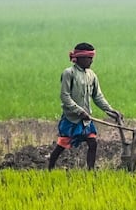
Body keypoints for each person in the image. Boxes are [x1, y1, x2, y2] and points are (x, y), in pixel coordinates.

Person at [48, 42, 122, 170]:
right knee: (62, 145)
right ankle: (50, 168)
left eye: (92, 58)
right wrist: (78, 111)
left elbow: (97, 96)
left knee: (92, 143)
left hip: (86, 119)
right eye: (89, 58)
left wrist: (110, 110)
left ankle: (90, 171)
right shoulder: (68, 73)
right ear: (80, 58)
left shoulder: (92, 75)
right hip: (72, 118)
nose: (91, 61)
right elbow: (65, 96)